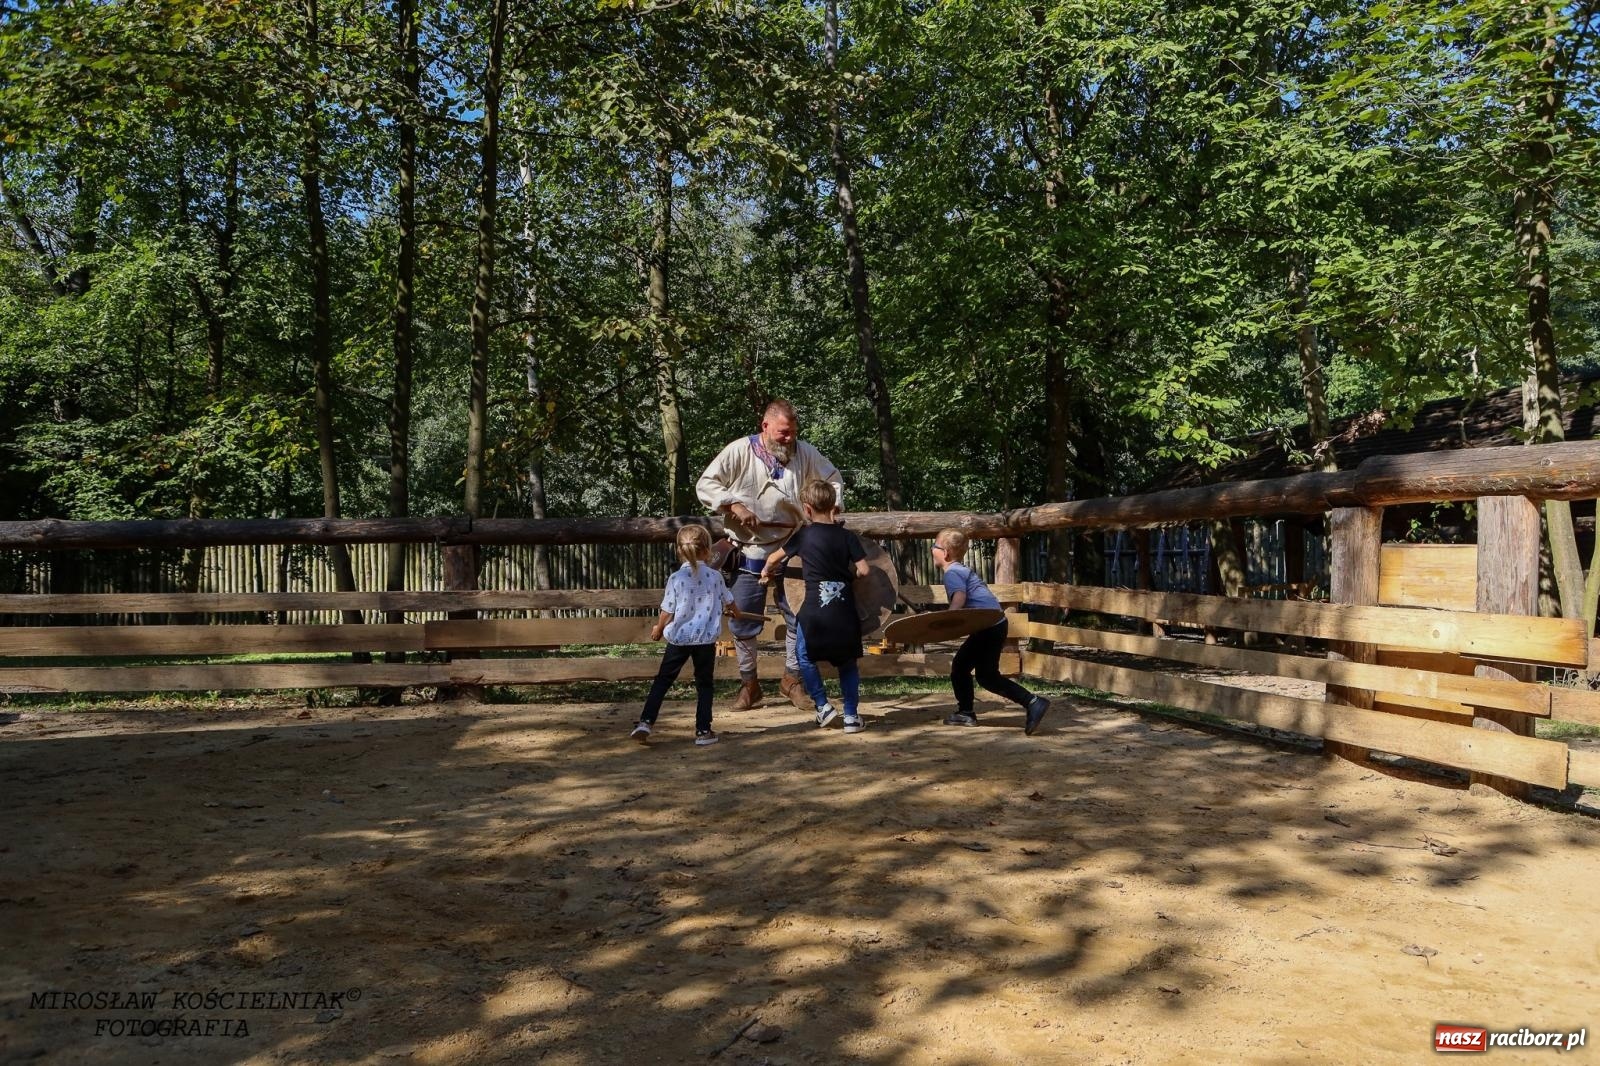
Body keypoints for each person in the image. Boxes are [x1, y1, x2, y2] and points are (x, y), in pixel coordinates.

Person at [696, 398, 845, 712]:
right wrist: (732, 504)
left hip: (794, 549)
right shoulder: (739, 451)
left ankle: (792, 681)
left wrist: (829, 509)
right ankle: (750, 685)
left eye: (792, 432)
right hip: (747, 552)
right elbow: (706, 484)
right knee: (741, 623)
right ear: (765, 427)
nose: (789, 438)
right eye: (783, 433)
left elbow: (832, 478)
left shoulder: (805, 453)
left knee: (800, 618)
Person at [760, 479, 868, 733]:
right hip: (844, 611)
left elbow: (774, 558)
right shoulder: (847, 536)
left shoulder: (804, 535)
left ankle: (823, 706)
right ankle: (851, 716)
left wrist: (765, 571)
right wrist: (848, 577)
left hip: (814, 612)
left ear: (806, 509)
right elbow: (865, 569)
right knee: (848, 662)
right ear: (833, 506)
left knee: (805, 656)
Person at [932, 528, 1051, 734]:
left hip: (988, 626)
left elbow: (959, 599)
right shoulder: (961, 569)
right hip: (994, 623)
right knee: (985, 675)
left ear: (945, 553)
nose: (931, 549)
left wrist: (946, 619)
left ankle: (968, 712)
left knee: (962, 667)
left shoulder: (952, 572)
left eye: (934, 546)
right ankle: (1031, 702)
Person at [630, 525, 734, 747]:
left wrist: (658, 628)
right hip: (705, 640)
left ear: (679, 551)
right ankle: (703, 730)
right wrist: (736, 611)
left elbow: (668, 610)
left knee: (663, 681)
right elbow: (730, 601)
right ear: (707, 551)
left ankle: (646, 722)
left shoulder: (676, 578)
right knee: (704, 684)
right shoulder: (715, 577)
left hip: (679, 638)